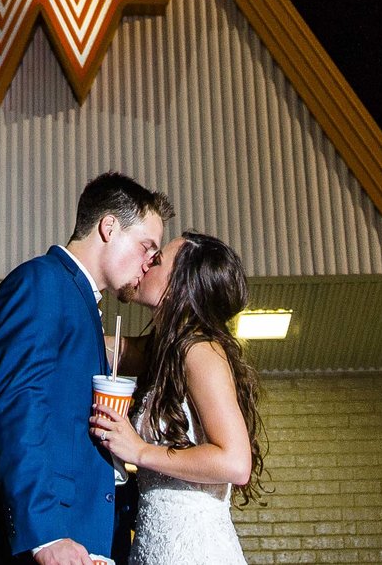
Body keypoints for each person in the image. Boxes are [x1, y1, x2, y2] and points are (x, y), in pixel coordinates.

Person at [0, 172, 173, 565]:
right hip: (44, 542)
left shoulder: (81, 304)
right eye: (147, 246)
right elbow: (17, 407)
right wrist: (46, 535)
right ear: (109, 227)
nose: (150, 262)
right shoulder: (41, 282)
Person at [89, 233, 265, 565]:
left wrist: (140, 450)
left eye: (156, 261)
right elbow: (101, 346)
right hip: (153, 548)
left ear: (180, 288)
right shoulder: (163, 351)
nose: (146, 264)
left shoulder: (200, 351)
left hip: (196, 551)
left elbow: (235, 464)